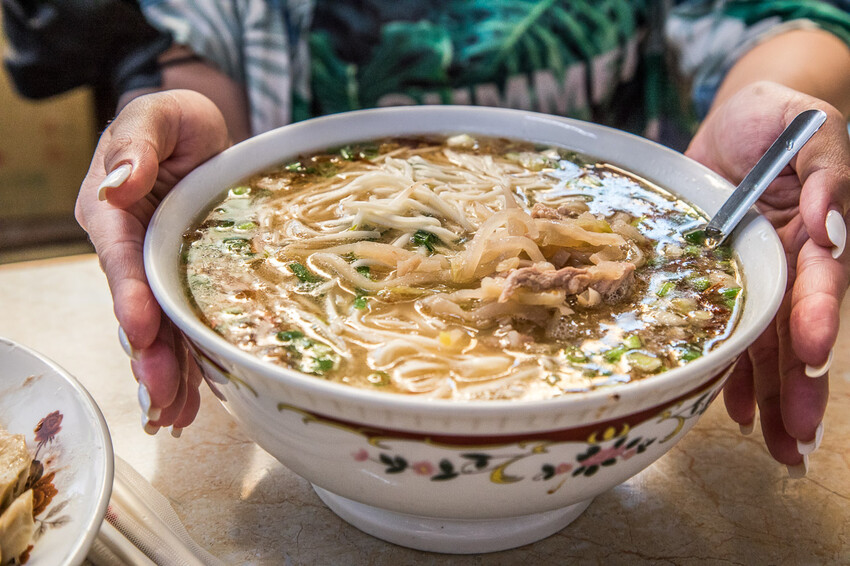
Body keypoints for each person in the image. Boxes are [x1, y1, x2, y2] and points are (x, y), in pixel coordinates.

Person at [8, 1, 849, 477]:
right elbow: (203, 41)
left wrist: (785, 104)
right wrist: (185, 147)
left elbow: (782, 17)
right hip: (293, 355)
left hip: (639, 261)